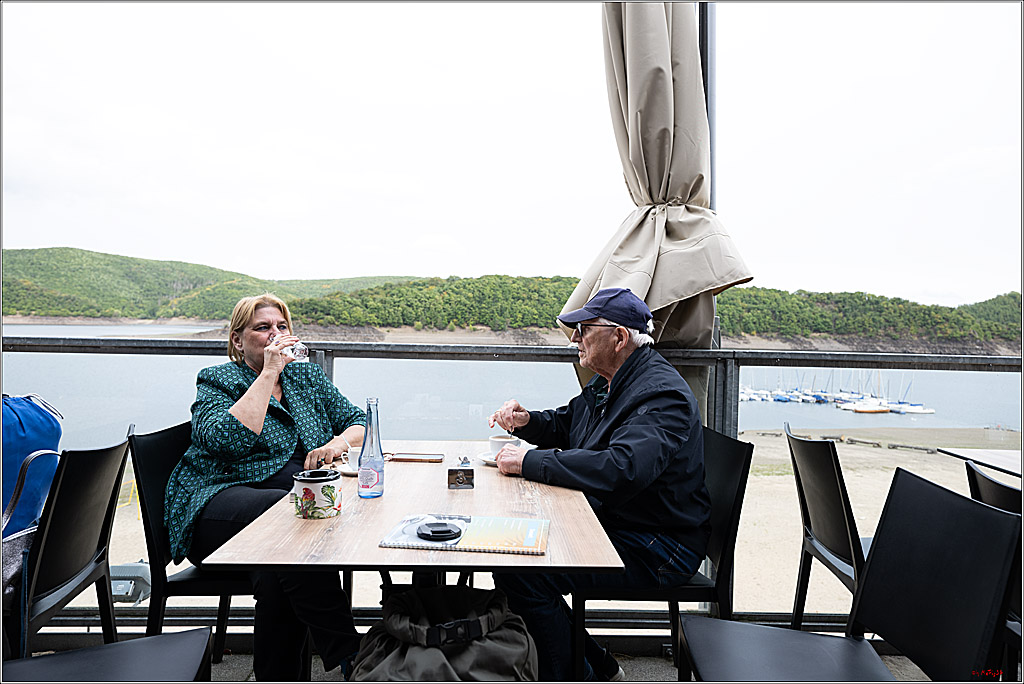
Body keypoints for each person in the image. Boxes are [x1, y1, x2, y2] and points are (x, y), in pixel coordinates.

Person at [487, 287, 711, 681]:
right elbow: (569, 422)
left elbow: (622, 468)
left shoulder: (663, 395)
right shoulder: (611, 379)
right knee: (516, 559)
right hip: (621, 524)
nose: (575, 339)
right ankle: (598, 665)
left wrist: (529, 461)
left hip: (659, 545)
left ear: (619, 337)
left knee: (523, 571)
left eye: (584, 330)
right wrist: (528, 423)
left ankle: (581, 675)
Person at [165, 293, 366, 680]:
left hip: (287, 515)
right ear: (238, 340)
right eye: (263, 328)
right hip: (215, 502)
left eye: (281, 327)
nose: (275, 335)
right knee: (289, 513)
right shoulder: (218, 379)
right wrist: (268, 373)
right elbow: (227, 440)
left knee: (278, 568)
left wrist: (337, 443)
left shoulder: (306, 376)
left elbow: (359, 419)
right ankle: (351, 654)